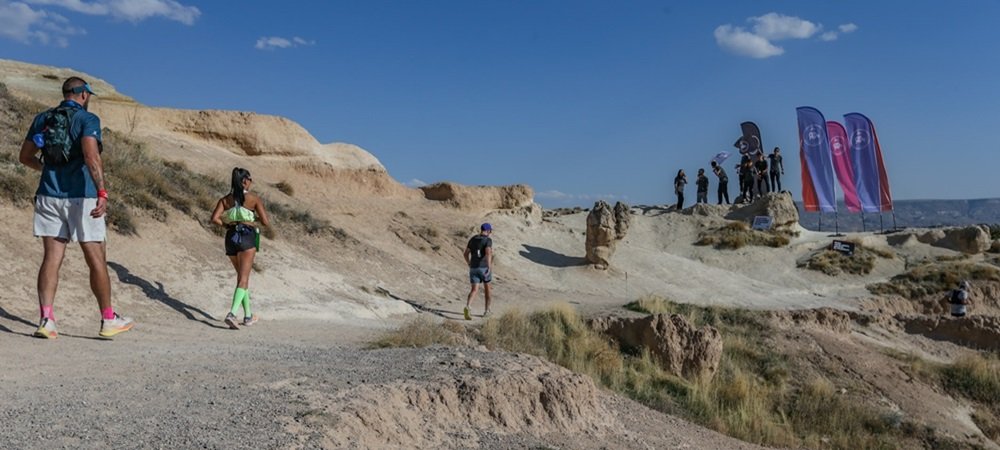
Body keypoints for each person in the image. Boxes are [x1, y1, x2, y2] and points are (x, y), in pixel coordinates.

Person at [18, 76, 133, 339]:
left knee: (51, 258)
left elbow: (24, 157)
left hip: (48, 195)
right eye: (88, 95)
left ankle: (46, 320)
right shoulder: (87, 120)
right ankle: (107, 320)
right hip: (82, 197)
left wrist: (45, 169)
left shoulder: (42, 119)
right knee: (95, 258)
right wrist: (102, 191)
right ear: (83, 94)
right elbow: (92, 157)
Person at [210, 167, 271, 329]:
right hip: (246, 236)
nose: (251, 182)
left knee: (242, 279)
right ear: (245, 181)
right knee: (243, 279)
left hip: (230, 237)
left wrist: (227, 225)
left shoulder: (225, 200)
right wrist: (251, 217)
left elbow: (214, 218)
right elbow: (266, 222)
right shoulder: (253, 199)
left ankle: (248, 316)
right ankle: (232, 314)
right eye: (250, 179)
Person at [463, 223, 494, 320]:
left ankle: (468, 306)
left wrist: (469, 263)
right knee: (487, 290)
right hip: (483, 267)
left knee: (474, 289)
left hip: (473, 268)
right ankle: (487, 311)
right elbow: (488, 252)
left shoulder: (472, 239)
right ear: (488, 231)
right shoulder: (488, 240)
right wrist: (489, 266)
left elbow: (465, 254)